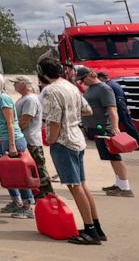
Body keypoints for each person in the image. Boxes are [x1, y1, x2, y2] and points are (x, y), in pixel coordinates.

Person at [38, 56, 105, 245]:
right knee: (82, 184)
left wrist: (51, 139)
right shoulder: (70, 86)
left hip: (64, 142)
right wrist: (72, 115)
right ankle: (96, 227)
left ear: (42, 73)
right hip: (77, 138)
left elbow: (54, 121)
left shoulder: (51, 90)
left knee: (75, 187)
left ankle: (90, 231)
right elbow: (88, 110)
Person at [0, 72, 34, 218]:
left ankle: (27, 206)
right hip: (4, 140)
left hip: (13, 141)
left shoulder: (3, 98)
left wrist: (12, 145)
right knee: (8, 174)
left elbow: (10, 123)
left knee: (19, 174)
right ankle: (16, 201)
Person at [79, 67, 133, 198]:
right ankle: (119, 183)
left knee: (115, 157)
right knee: (110, 157)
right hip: (98, 128)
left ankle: (125, 187)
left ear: (91, 74)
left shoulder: (104, 89)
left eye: (83, 79)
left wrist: (115, 127)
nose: (82, 82)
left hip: (105, 128)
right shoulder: (92, 89)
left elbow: (112, 109)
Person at [13, 75, 54, 197]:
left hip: (31, 140)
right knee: (31, 168)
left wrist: (13, 134)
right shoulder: (24, 98)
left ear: (24, 84)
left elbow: (25, 120)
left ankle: (47, 194)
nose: (14, 85)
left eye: (16, 82)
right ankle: (35, 192)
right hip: (26, 139)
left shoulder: (30, 99)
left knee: (38, 168)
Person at [96, 72, 139, 150]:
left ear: (101, 78)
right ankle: (118, 144)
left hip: (118, 105)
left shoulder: (108, 86)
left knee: (127, 126)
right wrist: (126, 106)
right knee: (122, 125)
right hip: (121, 104)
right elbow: (123, 95)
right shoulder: (115, 84)